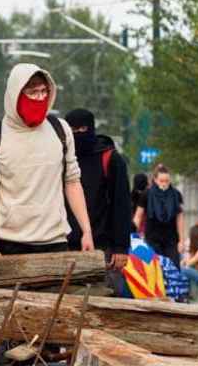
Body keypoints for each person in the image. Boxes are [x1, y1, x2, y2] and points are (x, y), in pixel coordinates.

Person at [0, 64, 94, 256]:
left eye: (44, 91)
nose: (41, 98)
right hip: (8, 243)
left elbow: (72, 181)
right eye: (33, 92)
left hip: (55, 240)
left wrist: (86, 231)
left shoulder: (61, 130)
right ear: (16, 94)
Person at [64, 108, 131, 289]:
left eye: (82, 130)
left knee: (105, 299)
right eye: (72, 131)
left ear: (91, 129)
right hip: (64, 245)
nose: (77, 135)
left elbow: (122, 204)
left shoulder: (110, 159)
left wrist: (121, 247)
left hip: (103, 246)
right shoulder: (61, 158)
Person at [133, 165, 184, 267]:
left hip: (171, 240)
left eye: (167, 181)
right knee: (155, 269)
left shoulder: (176, 195)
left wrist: (182, 240)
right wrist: (132, 235)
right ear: (155, 180)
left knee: (174, 267)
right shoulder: (146, 194)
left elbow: (179, 219)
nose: (164, 184)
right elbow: (138, 216)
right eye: (161, 181)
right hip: (152, 239)